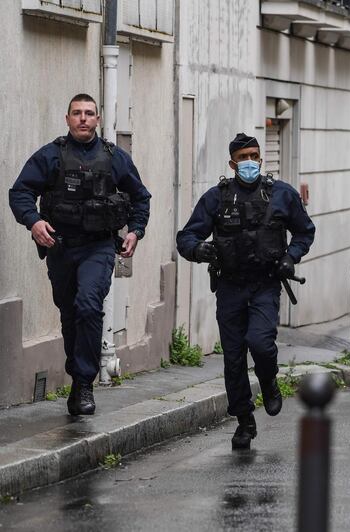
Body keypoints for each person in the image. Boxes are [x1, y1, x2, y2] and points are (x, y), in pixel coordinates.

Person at [8, 93, 151, 416]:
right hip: (60, 246)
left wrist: (135, 231)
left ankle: (84, 382)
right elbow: (20, 192)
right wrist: (34, 222)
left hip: (98, 246)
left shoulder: (115, 158)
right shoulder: (51, 156)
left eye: (89, 113)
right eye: (77, 113)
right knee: (70, 314)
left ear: (98, 119)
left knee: (88, 305)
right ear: (67, 118)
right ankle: (77, 377)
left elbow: (141, 197)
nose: (83, 118)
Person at [176, 133, 315, 450]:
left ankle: (268, 381)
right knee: (234, 358)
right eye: (242, 157)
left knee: (261, 343)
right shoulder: (217, 198)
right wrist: (200, 250)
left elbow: (305, 231)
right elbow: (186, 238)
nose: (249, 161)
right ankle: (243, 420)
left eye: (254, 155)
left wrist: (289, 258)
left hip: (265, 284)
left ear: (261, 159)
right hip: (230, 287)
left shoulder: (280, 194)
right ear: (232, 162)